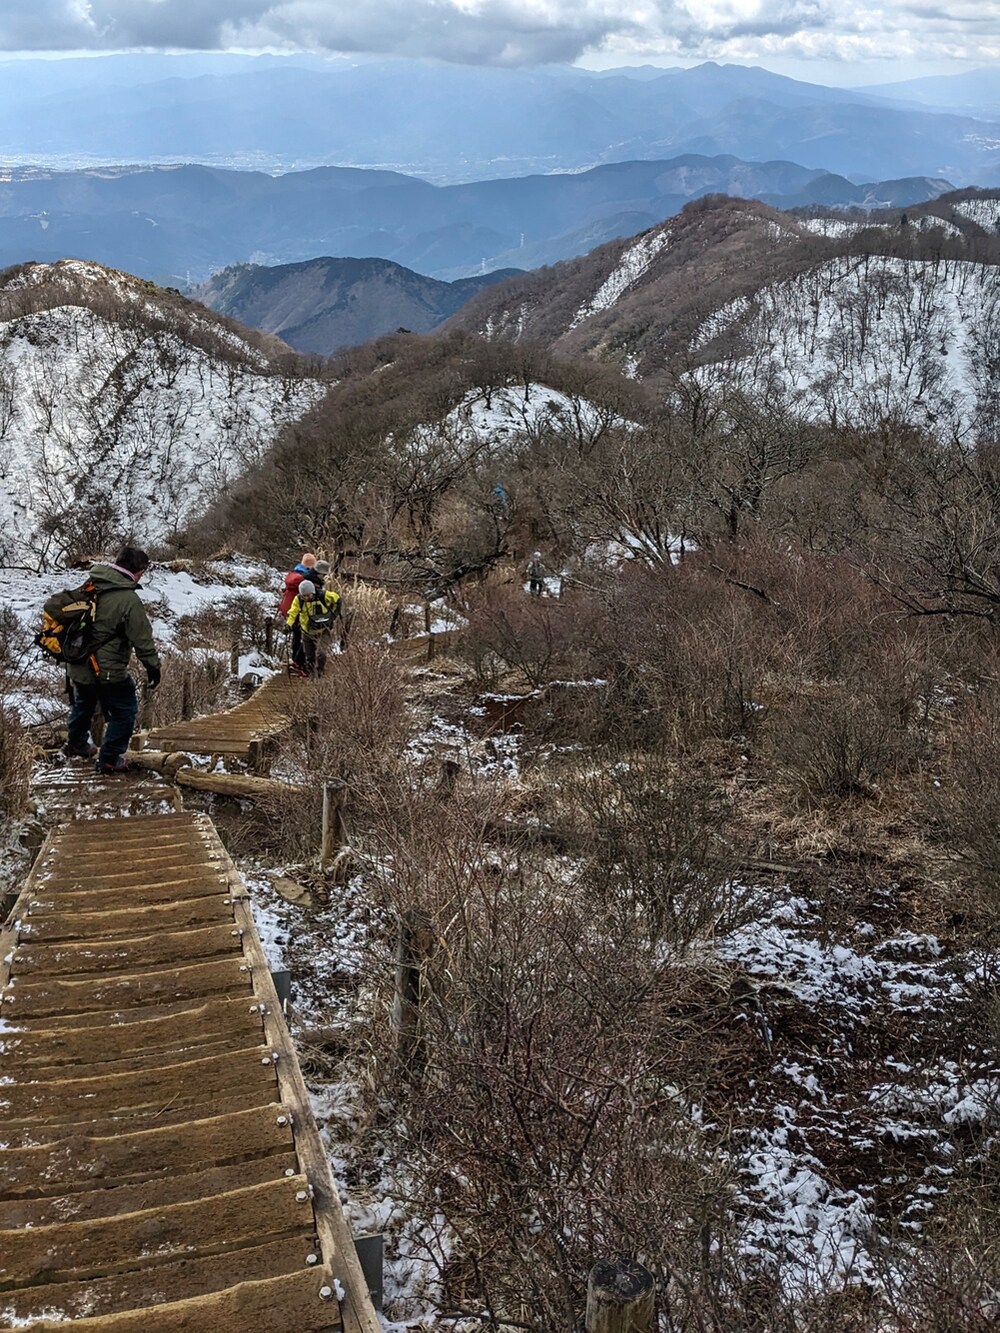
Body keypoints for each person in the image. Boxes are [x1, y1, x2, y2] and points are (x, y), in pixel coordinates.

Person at [64, 546, 161, 774]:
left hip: (78, 664)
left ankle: (76, 744)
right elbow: (142, 639)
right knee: (124, 711)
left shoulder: (91, 584)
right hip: (107, 670)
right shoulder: (128, 599)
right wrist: (153, 668)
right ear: (139, 571)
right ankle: (108, 758)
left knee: (84, 703)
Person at [285, 580, 341, 678]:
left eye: (308, 595)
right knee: (309, 656)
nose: (306, 598)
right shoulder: (298, 600)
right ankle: (311, 675)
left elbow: (337, 600)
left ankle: (320, 673)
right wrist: (289, 624)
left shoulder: (324, 595)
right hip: (307, 631)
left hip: (323, 630)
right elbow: (293, 612)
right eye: (304, 596)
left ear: (313, 592)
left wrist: (334, 615)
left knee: (321, 653)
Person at [278, 552, 319, 674]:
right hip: (297, 610)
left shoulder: (293, 575)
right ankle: (300, 663)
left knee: (297, 636)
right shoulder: (305, 579)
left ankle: (296, 661)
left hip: (286, 609)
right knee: (305, 636)